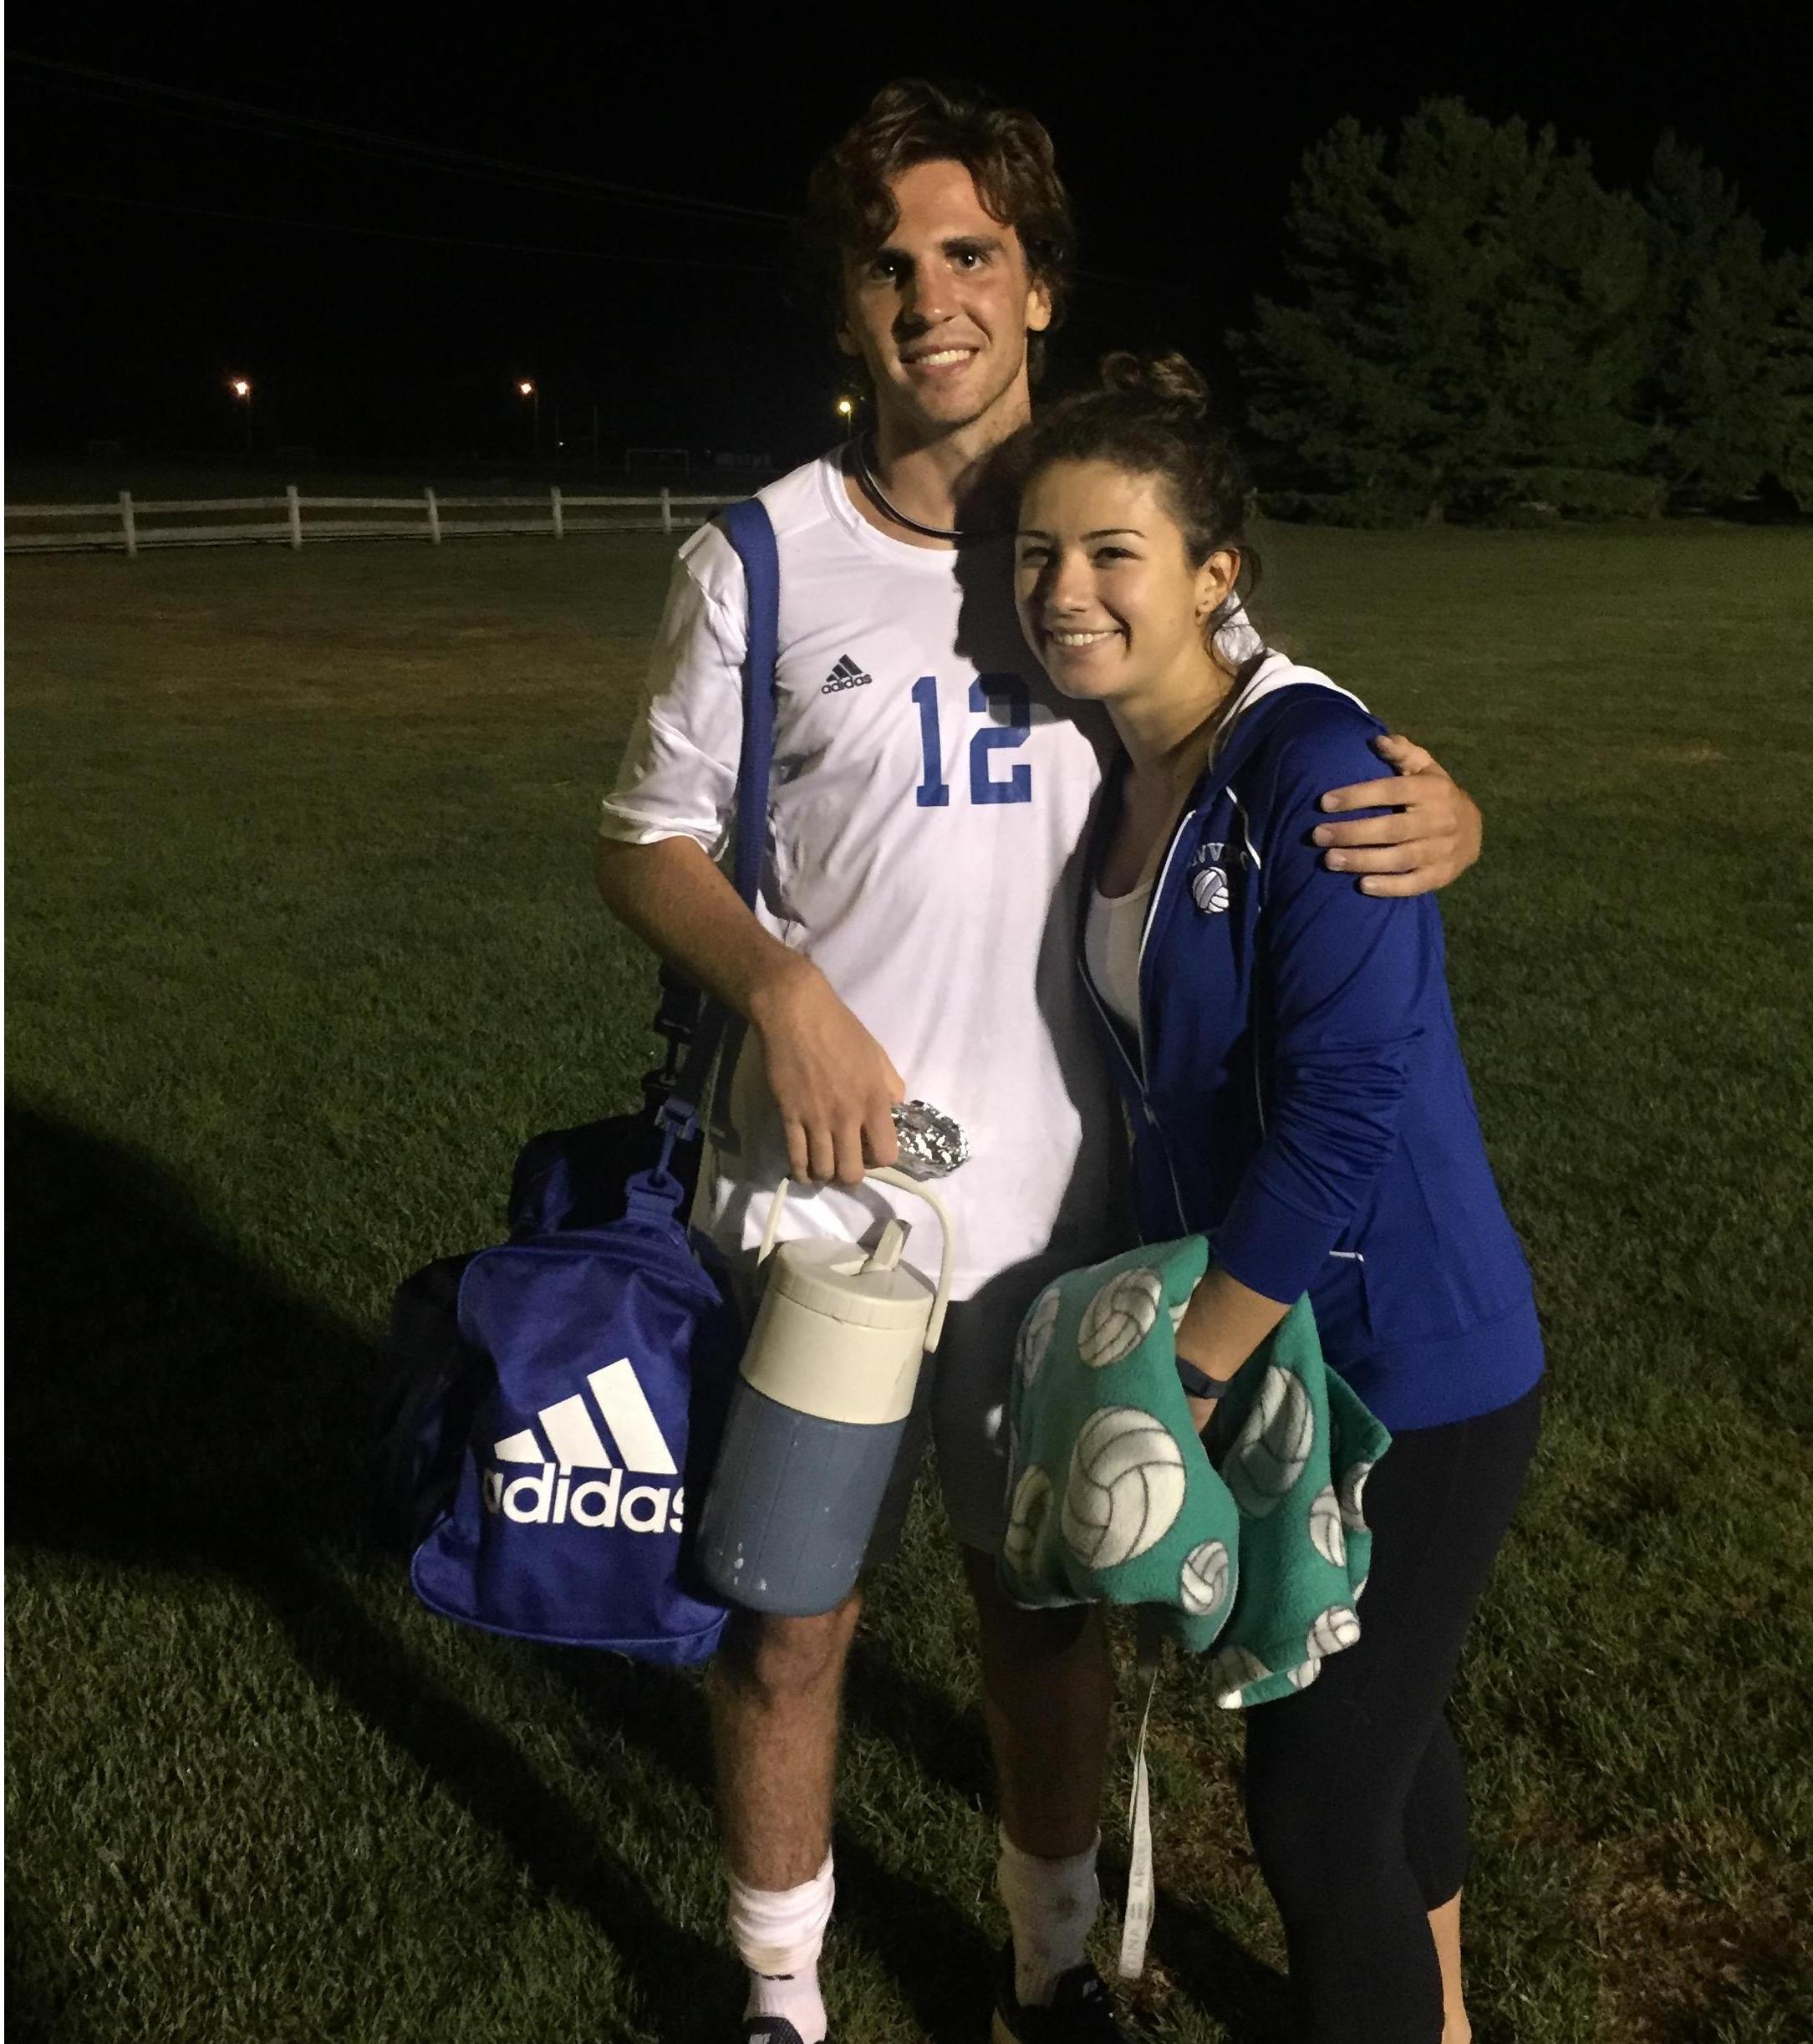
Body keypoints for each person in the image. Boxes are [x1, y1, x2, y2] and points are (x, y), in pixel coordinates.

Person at [594, 82, 1485, 2044]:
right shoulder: (756, 559)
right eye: (889, 262)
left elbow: (1283, 733)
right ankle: (775, 1991)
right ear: (849, 309)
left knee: (1041, 1613)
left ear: (1037, 290)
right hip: (828, 1211)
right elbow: (638, 833)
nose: (932, 296)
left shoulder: (1098, 550)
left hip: (1066, 1228)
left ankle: (1051, 1960)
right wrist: (776, 983)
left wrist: (1445, 808)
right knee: (791, 1610)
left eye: (969, 254)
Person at [1008, 353, 1544, 2044]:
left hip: (1405, 1361)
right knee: (1378, 1723)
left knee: (1314, 1804)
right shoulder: (1112, 773)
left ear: (1213, 574)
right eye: (1036, 554)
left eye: (1113, 552)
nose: (1066, 590)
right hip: (1276, 1352)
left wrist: (1186, 1370)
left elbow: (1340, 1108)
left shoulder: (1313, 765)